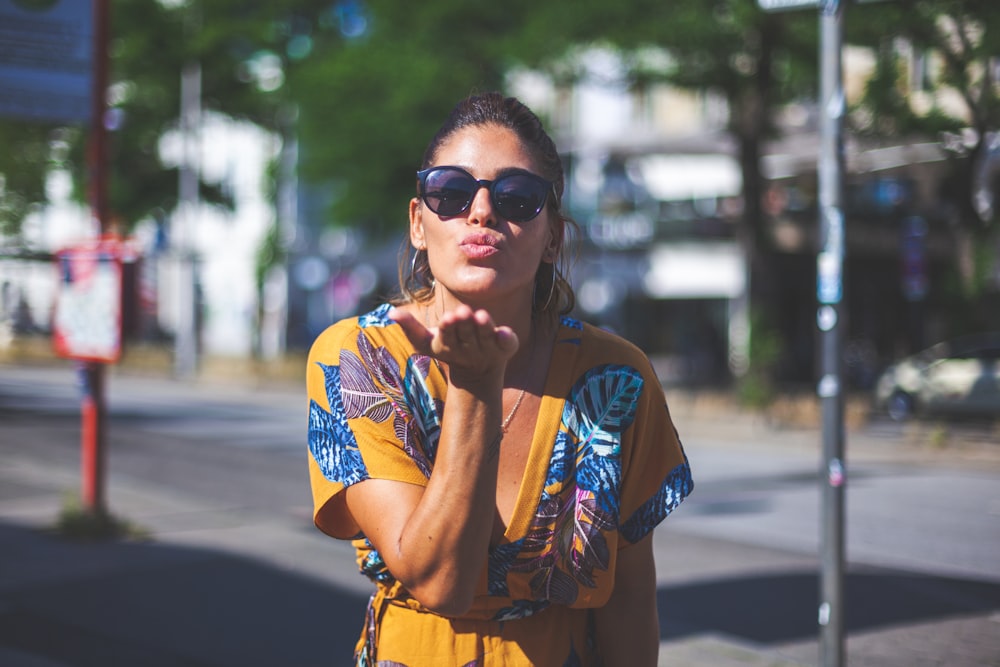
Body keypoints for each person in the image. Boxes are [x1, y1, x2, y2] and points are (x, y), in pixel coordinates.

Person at [306, 91, 693, 666]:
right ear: (419, 223)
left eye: (518, 198)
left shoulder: (616, 377)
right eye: (451, 193)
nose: (482, 212)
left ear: (553, 238)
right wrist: (475, 387)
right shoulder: (359, 357)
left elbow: (630, 596)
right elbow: (438, 581)